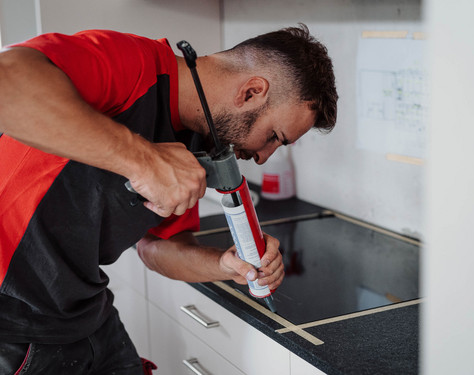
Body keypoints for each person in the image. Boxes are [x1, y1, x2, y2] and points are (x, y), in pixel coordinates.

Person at [0, 24, 338, 374]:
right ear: (252, 92)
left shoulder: (197, 140)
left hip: (86, 316)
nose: (264, 156)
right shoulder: (132, 64)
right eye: (273, 136)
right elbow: (6, 79)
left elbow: (157, 246)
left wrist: (224, 265)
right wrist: (142, 159)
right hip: (12, 328)